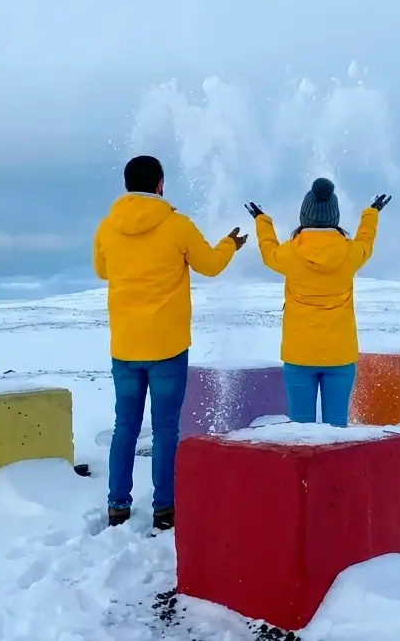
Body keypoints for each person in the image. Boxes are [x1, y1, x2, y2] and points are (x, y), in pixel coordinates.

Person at [94, 155, 248, 531]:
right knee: (165, 429)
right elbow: (210, 264)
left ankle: (117, 505)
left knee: (124, 427)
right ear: (161, 184)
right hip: (167, 347)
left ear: (127, 185)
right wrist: (229, 243)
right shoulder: (176, 224)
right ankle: (165, 508)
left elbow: (102, 269)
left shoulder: (107, 227)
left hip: (126, 347)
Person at [245, 178, 391, 427]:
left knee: (301, 431)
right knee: (337, 428)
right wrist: (371, 212)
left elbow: (268, 251)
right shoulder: (351, 253)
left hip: (299, 354)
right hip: (340, 354)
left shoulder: (289, 254)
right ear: (335, 216)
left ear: (304, 215)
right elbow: (366, 240)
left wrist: (262, 220)